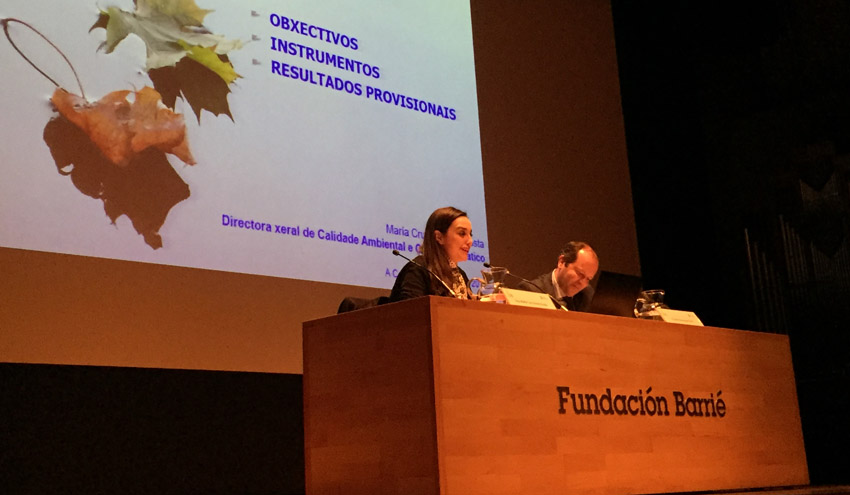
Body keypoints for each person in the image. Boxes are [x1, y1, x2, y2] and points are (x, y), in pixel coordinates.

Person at [390, 206, 472, 302]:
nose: (470, 241)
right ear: (439, 237)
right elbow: (410, 309)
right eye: (462, 233)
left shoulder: (461, 275)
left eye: (470, 234)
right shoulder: (419, 269)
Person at [518, 241, 599, 311]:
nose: (582, 283)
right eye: (580, 274)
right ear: (562, 262)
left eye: (588, 279)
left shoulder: (587, 295)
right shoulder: (531, 292)